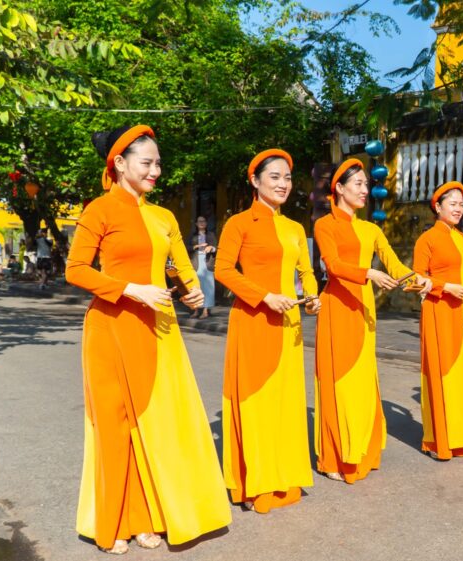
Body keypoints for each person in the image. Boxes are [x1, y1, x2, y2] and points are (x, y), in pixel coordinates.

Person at [66, 124, 230, 554]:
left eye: (158, 163)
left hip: (159, 329)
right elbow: (76, 270)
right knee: (115, 425)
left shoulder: (164, 217)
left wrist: (191, 291)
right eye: (147, 162)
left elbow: (178, 265)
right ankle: (115, 523)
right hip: (111, 326)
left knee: (157, 424)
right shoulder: (99, 210)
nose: (156, 170)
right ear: (120, 163)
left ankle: (147, 517)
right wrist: (130, 289)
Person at [214, 149, 320, 513]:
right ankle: (258, 482)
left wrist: (313, 296)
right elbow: (223, 270)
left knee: (286, 401)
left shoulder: (295, 228)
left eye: (287, 178)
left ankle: (286, 476)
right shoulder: (239, 223)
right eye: (274, 177)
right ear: (255, 181)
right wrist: (264, 297)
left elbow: (306, 272)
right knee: (257, 400)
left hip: (290, 324)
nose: (283, 184)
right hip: (254, 319)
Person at [313, 158, 432, 483]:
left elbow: (394, 264)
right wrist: (368, 273)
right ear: (339, 188)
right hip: (338, 307)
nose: (365, 189)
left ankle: (361, 449)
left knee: (362, 381)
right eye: (358, 184)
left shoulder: (371, 229)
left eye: (366, 184)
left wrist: (419, 279)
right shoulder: (325, 225)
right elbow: (333, 265)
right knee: (338, 382)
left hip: (363, 309)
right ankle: (335, 456)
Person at [413, 181, 463, 460]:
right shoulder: (427, 239)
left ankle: (459, 437)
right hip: (438, 312)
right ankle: (439, 441)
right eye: (452, 204)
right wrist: (446, 287)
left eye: (461, 204)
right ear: (438, 207)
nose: (458, 209)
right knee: (441, 374)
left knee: (462, 378)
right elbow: (417, 279)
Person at [189, 216, 217, 319]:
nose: (202, 223)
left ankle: (205, 311)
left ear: (206, 223)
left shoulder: (211, 235)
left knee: (208, 287)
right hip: (196, 262)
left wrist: (211, 248)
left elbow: (217, 247)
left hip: (207, 262)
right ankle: (196, 310)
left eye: (204, 221)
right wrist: (195, 247)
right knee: (196, 286)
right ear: (196, 224)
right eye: (199, 221)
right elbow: (186, 247)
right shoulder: (192, 236)